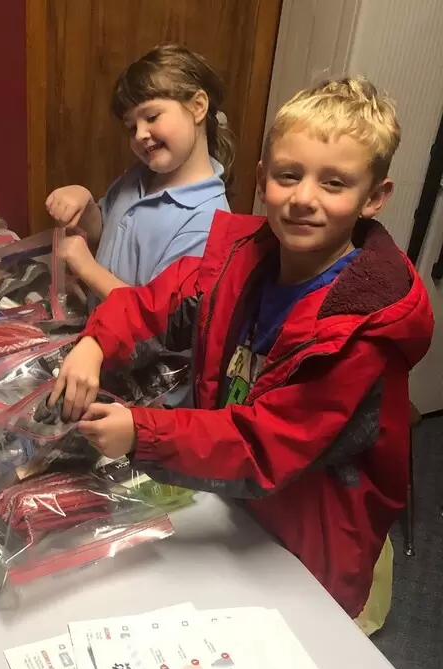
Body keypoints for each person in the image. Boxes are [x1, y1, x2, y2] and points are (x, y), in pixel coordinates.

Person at [50, 77, 434, 633]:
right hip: (239, 506)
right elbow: (153, 304)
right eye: (288, 176)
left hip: (313, 540)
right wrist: (93, 342)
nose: (304, 198)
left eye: (334, 183)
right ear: (261, 179)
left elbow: (264, 444)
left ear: (373, 198)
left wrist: (143, 432)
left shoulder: (361, 331)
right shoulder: (237, 258)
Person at [45, 43, 233, 303]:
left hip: (131, 344)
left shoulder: (207, 224)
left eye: (152, 116)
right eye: (131, 127)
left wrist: (87, 268)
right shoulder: (139, 177)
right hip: (98, 334)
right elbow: (103, 228)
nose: (140, 134)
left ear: (198, 106)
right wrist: (85, 204)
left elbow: (158, 319)